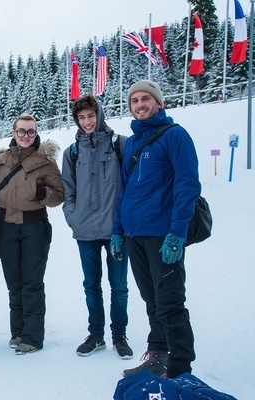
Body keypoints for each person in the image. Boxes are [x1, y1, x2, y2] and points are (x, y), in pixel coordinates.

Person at [111, 80, 200, 379]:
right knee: (152, 301)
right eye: (134, 100)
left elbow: (188, 185)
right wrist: (117, 231)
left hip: (163, 235)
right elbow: (124, 191)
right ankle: (157, 355)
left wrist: (178, 232)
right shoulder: (133, 142)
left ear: (159, 103)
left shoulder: (175, 136)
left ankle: (180, 369)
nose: (139, 104)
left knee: (170, 302)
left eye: (145, 98)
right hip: (135, 235)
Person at [60, 94, 133, 360]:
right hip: (85, 232)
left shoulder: (120, 145)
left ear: (100, 115)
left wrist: (124, 222)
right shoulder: (72, 152)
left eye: (91, 116)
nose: (88, 122)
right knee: (92, 284)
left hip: (117, 231)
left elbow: (132, 187)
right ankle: (96, 335)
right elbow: (68, 192)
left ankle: (119, 335)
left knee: (119, 286)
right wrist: (73, 217)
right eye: (82, 117)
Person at [0, 114, 65, 355]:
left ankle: (32, 336)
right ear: (13, 132)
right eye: (21, 131)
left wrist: (42, 192)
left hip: (34, 228)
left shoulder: (45, 162)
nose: (25, 136)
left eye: (30, 132)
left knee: (32, 283)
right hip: (5, 227)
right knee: (14, 283)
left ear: (36, 133)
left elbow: (59, 194)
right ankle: (18, 331)